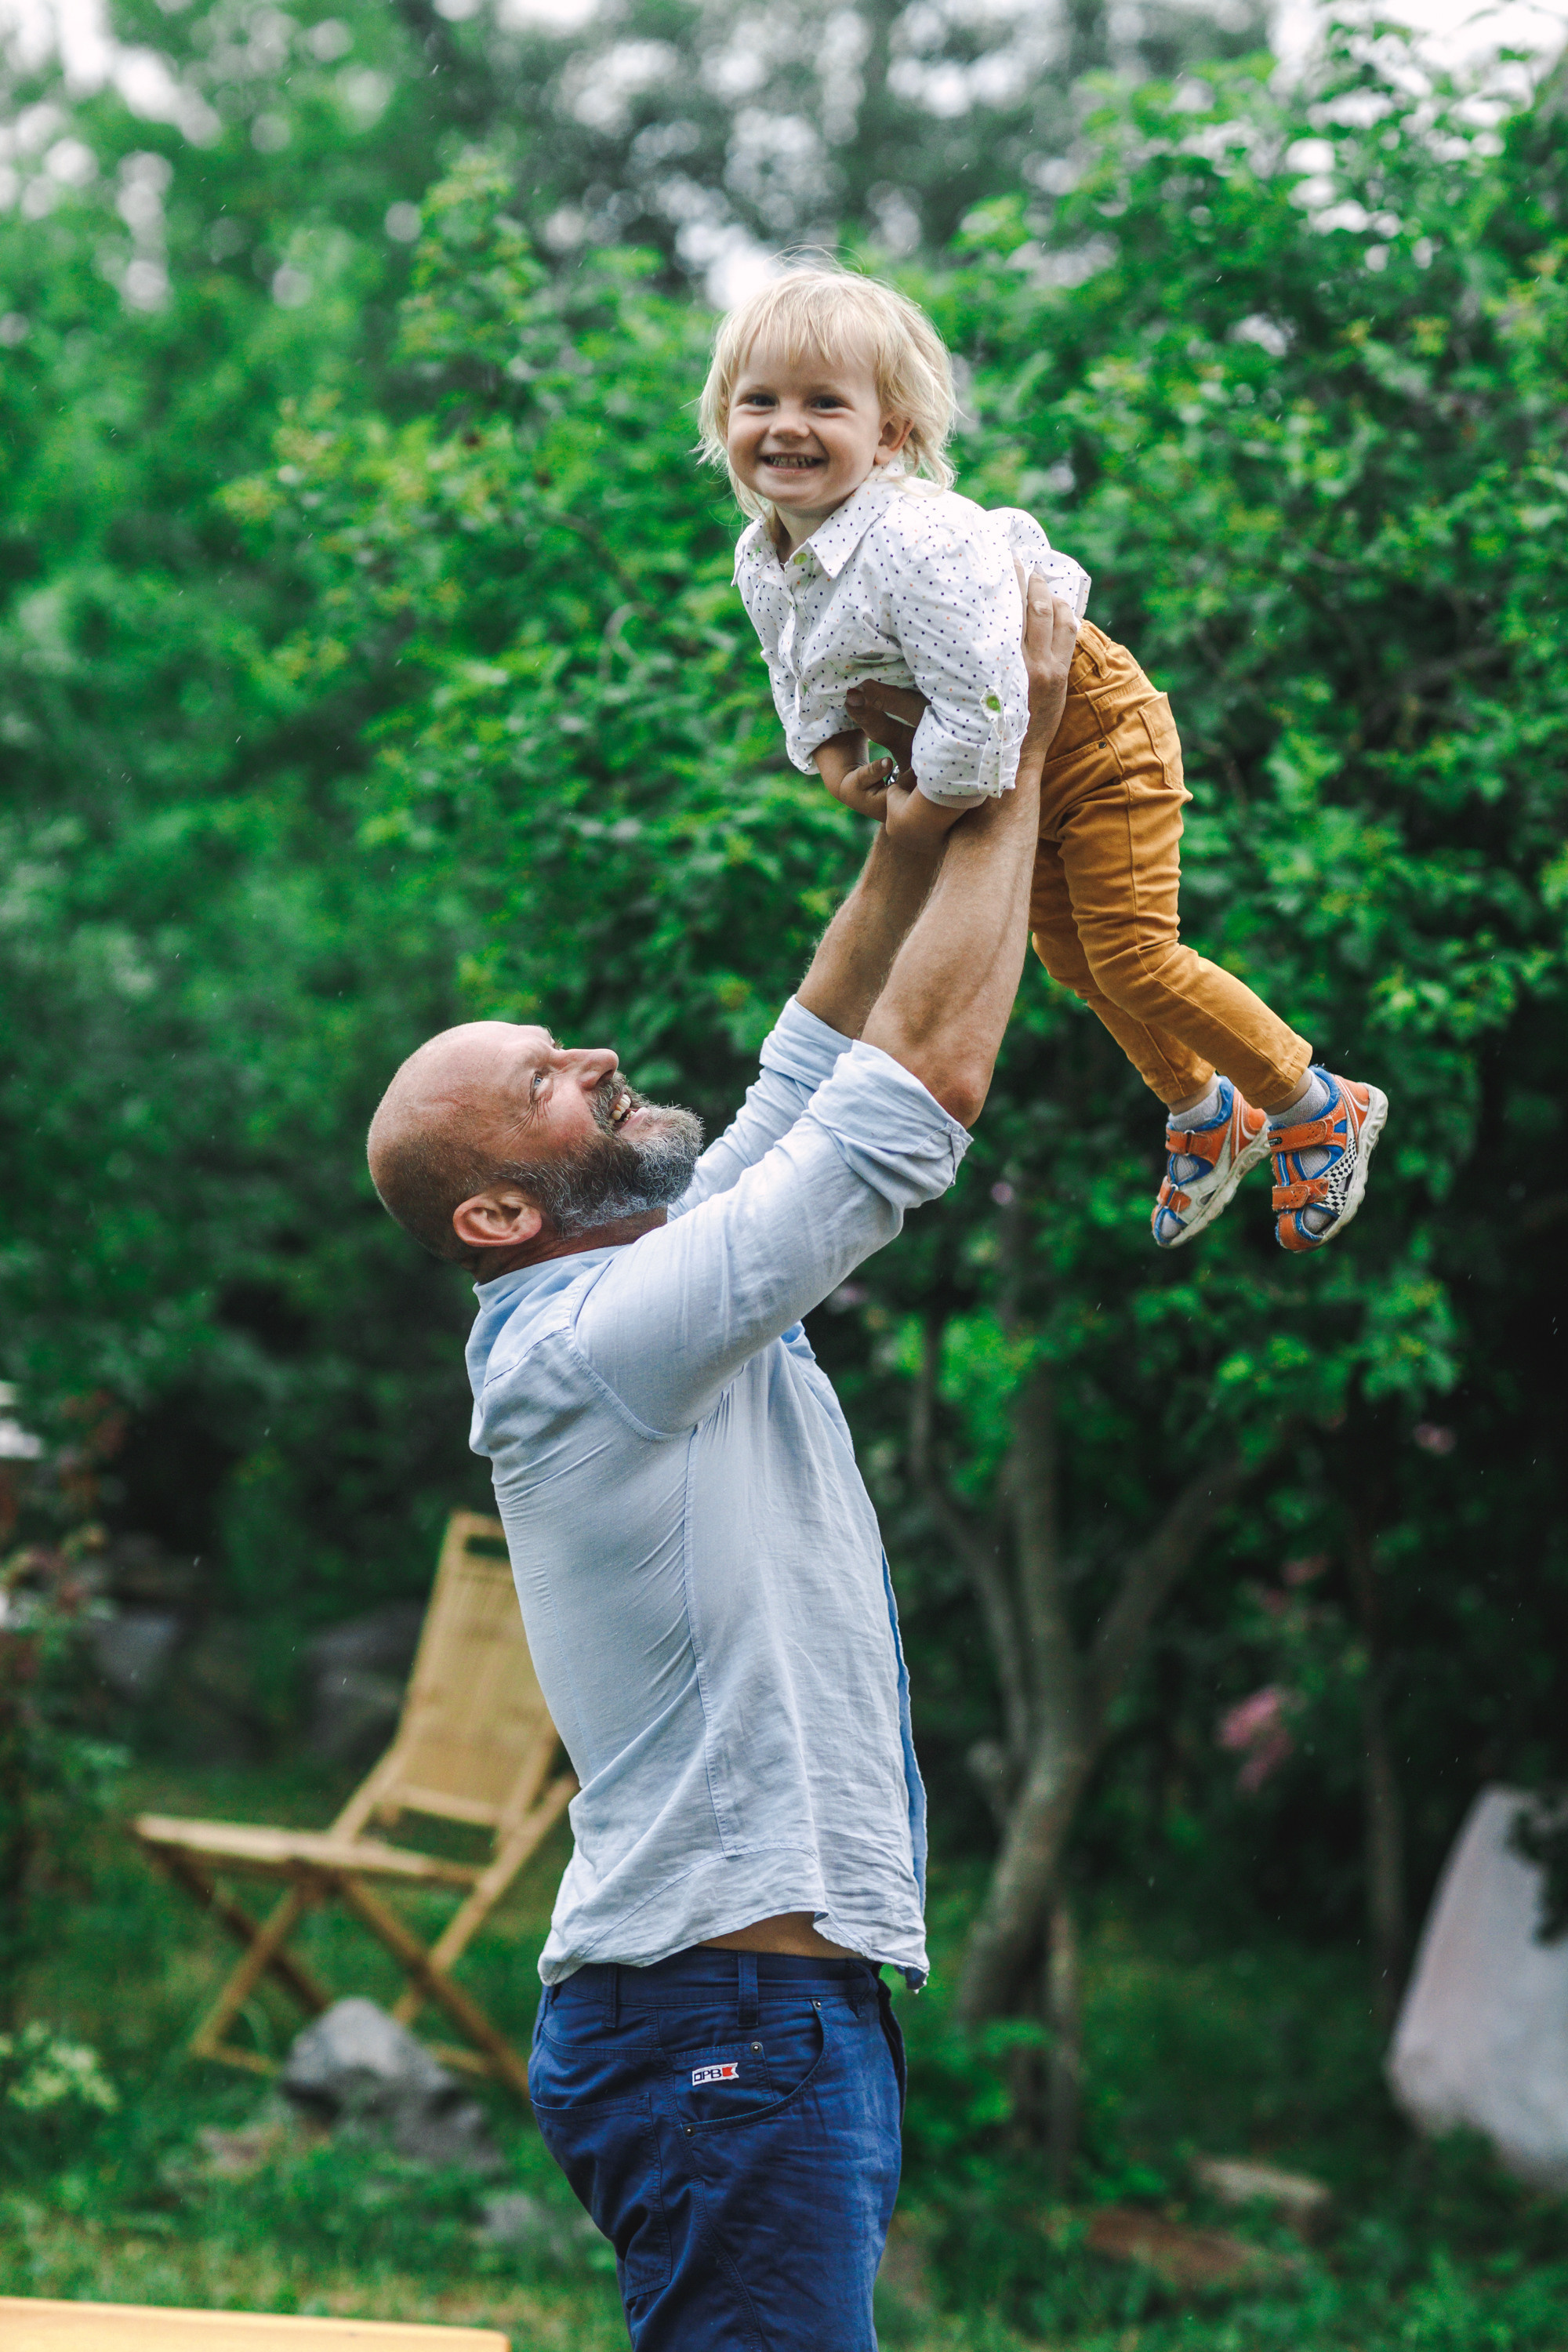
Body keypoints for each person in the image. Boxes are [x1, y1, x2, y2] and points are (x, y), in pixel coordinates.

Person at [365, 578, 1076, 2351]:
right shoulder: (599, 1345)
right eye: (549, 1078)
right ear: (500, 1208)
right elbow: (906, 1107)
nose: (597, 1057)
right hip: (723, 2014)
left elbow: (811, 1068)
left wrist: (913, 841)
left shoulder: (635, 1292)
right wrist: (1025, 746)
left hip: (747, 2008)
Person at [699, 264, 1389, 1254]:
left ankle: (1313, 1100)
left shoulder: (914, 540)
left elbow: (989, 719)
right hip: (1004, 748)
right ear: (726, 416)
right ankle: (1206, 1114)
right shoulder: (762, 554)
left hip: (1090, 732)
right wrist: (829, 751)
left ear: (889, 434)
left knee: (1133, 952)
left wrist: (921, 821)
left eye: (824, 403)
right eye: (759, 400)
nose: (786, 425)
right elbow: (793, 660)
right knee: (1071, 959)